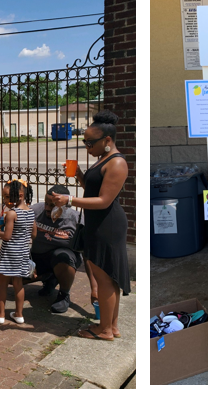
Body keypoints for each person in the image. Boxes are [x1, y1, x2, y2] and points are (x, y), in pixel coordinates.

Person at [60, 110, 130, 341]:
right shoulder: (103, 160)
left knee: (105, 278)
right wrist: (80, 175)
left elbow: (103, 200)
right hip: (98, 222)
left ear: (107, 141)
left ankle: (105, 329)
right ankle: (113, 326)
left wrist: (69, 200)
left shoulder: (117, 163)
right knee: (109, 279)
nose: (87, 147)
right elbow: (93, 191)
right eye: (84, 142)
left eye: (90, 143)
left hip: (107, 224)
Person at [28, 185, 86, 314]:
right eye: (46, 204)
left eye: (53, 205)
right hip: (39, 257)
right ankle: (49, 278)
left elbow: (88, 253)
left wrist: (95, 288)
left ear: (65, 205)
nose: (47, 208)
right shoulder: (36, 210)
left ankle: (64, 294)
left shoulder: (77, 219)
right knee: (11, 277)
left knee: (61, 256)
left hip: (64, 259)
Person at [0, 179, 35, 325]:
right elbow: (34, 234)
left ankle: (1, 314)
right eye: (4, 197)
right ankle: (19, 314)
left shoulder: (12, 214)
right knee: (18, 284)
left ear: (21, 195)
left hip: (9, 254)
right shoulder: (31, 212)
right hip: (22, 253)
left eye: (8, 197)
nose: (6, 200)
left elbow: (7, 237)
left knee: (3, 284)